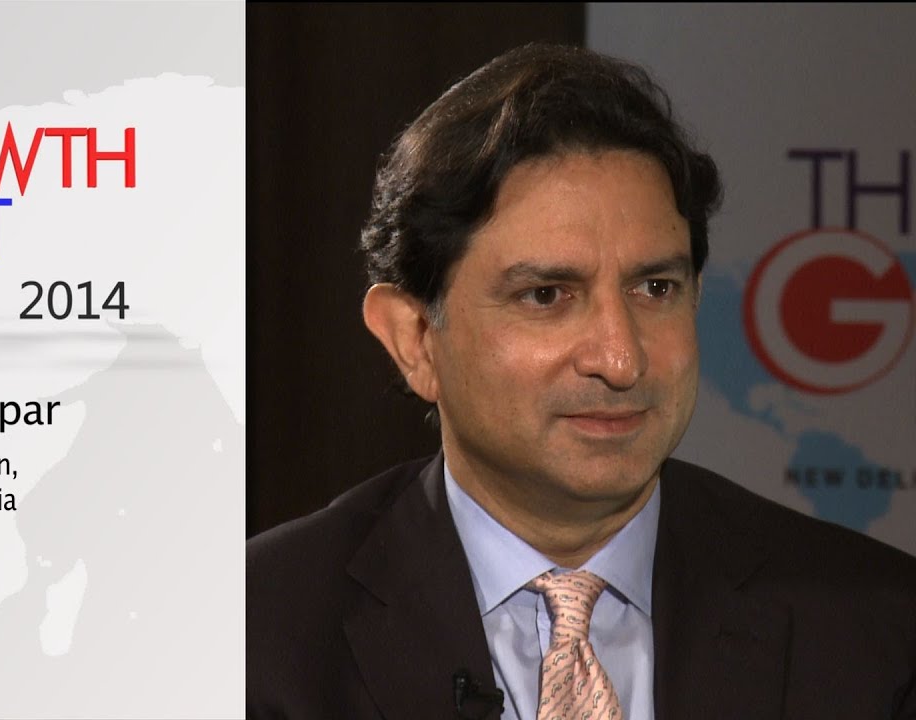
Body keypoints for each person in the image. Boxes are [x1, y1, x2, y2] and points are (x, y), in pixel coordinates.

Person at [246, 44, 916, 720]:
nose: (621, 360)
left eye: (655, 288)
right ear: (415, 339)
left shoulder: (879, 633)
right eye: (546, 295)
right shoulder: (253, 638)